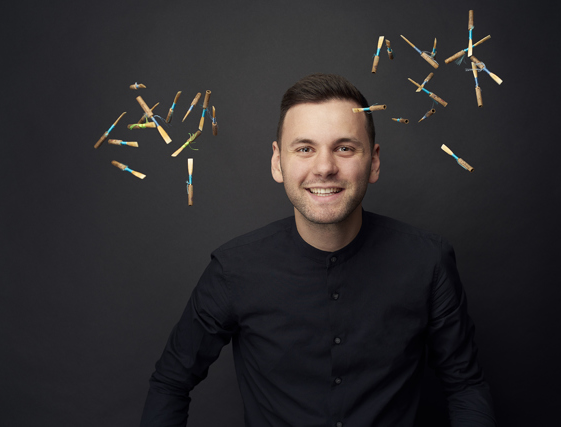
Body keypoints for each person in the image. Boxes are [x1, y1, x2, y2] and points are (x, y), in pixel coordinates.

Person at [141, 73, 496, 426]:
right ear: (278, 162)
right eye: (305, 149)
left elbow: (465, 386)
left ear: (373, 162)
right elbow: (171, 383)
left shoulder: (428, 261)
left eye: (344, 148)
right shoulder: (232, 269)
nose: (325, 168)